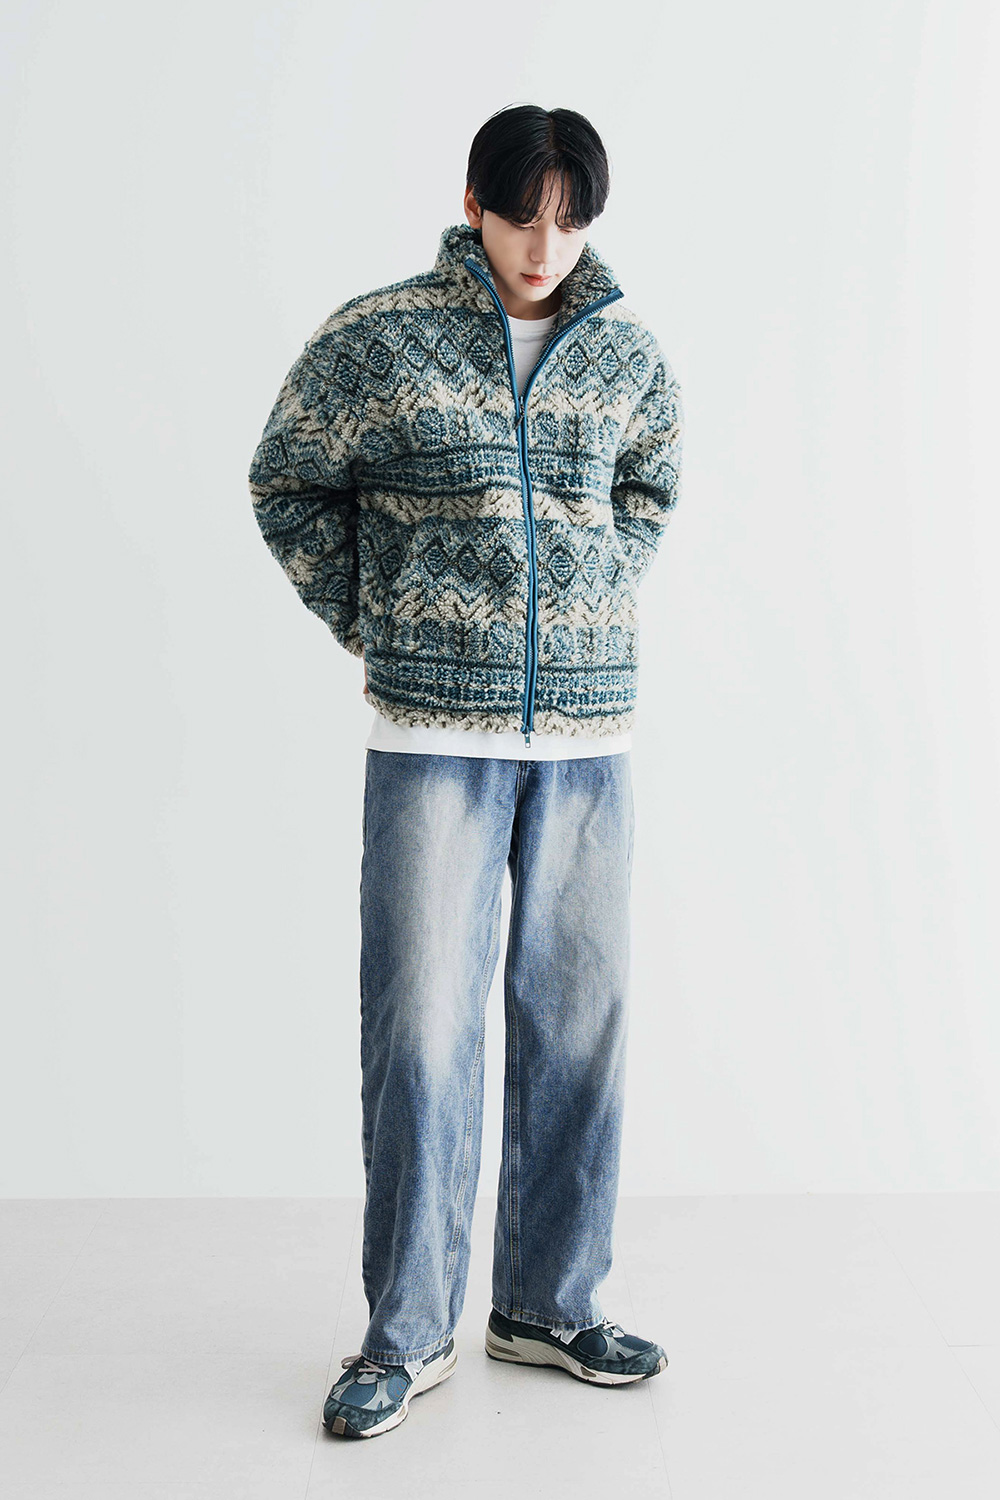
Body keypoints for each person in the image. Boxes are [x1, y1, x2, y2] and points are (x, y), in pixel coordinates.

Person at [248, 103, 684, 1440]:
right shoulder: (379, 338)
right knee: (425, 1032)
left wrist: (597, 594)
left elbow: (650, 491)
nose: (545, 245)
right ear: (473, 203)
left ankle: (549, 1304)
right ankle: (407, 1329)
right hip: (434, 738)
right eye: (521, 214)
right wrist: (382, 619)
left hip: (590, 741)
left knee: (579, 1025)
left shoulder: (628, 355)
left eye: (570, 218)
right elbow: (285, 483)